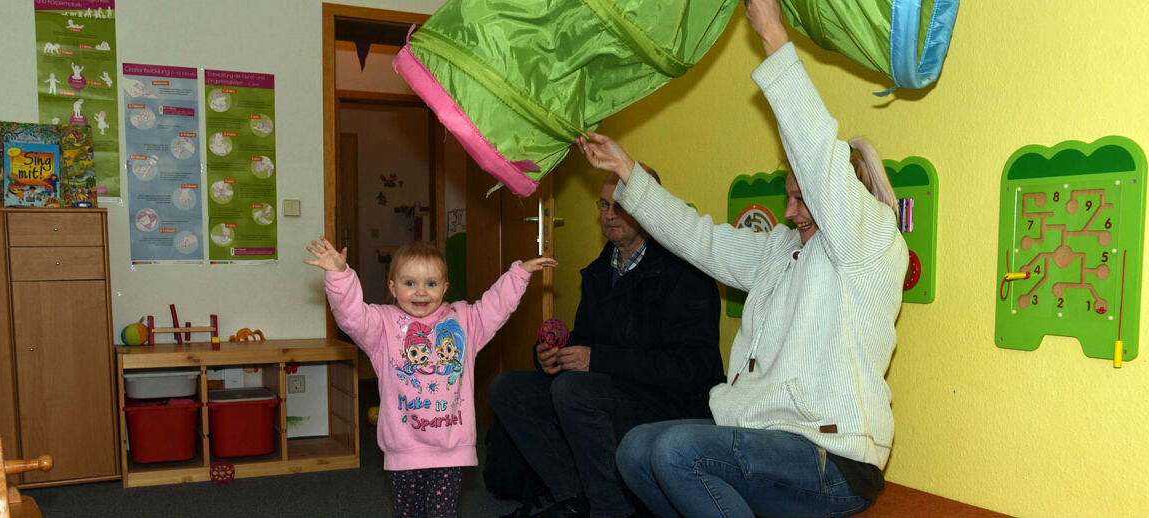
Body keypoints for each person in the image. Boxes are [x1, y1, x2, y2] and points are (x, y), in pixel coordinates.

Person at [576, 0, 908, 515]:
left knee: (676, 452)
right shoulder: (782, 250)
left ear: (843, 199)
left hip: (834, 461)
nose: (793, 211)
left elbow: (818, 153)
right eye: (789, 197)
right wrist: (629, 175)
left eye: (805, 200)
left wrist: (774, 36)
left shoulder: (870, 241)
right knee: (637, 449)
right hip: (762, 441)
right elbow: (699, 238)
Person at [488, 169, 724, 518]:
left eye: (620, 205)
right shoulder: (600, 270)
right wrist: (553, 356)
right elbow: (587, 342)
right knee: (509, 388)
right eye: (603, 204)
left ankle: (611, 510)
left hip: (669, 403)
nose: (609, 214)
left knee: (574, 391)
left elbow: (694, 367)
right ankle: (574, 498)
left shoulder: (685, 272)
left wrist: (596, 359)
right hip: (611, 388)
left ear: (649, 208)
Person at [305, 238, 557, 517]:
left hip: (450, 448)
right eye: (410, 283)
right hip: (404, 449)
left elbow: (496, 306)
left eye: (431, 284)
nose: (420, 292)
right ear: (392, 287)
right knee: (409, 512)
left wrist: (519, 273)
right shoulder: (382, 325)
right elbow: (351, 316)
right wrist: (339, 276)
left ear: (445, 287)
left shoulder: (464, 320)